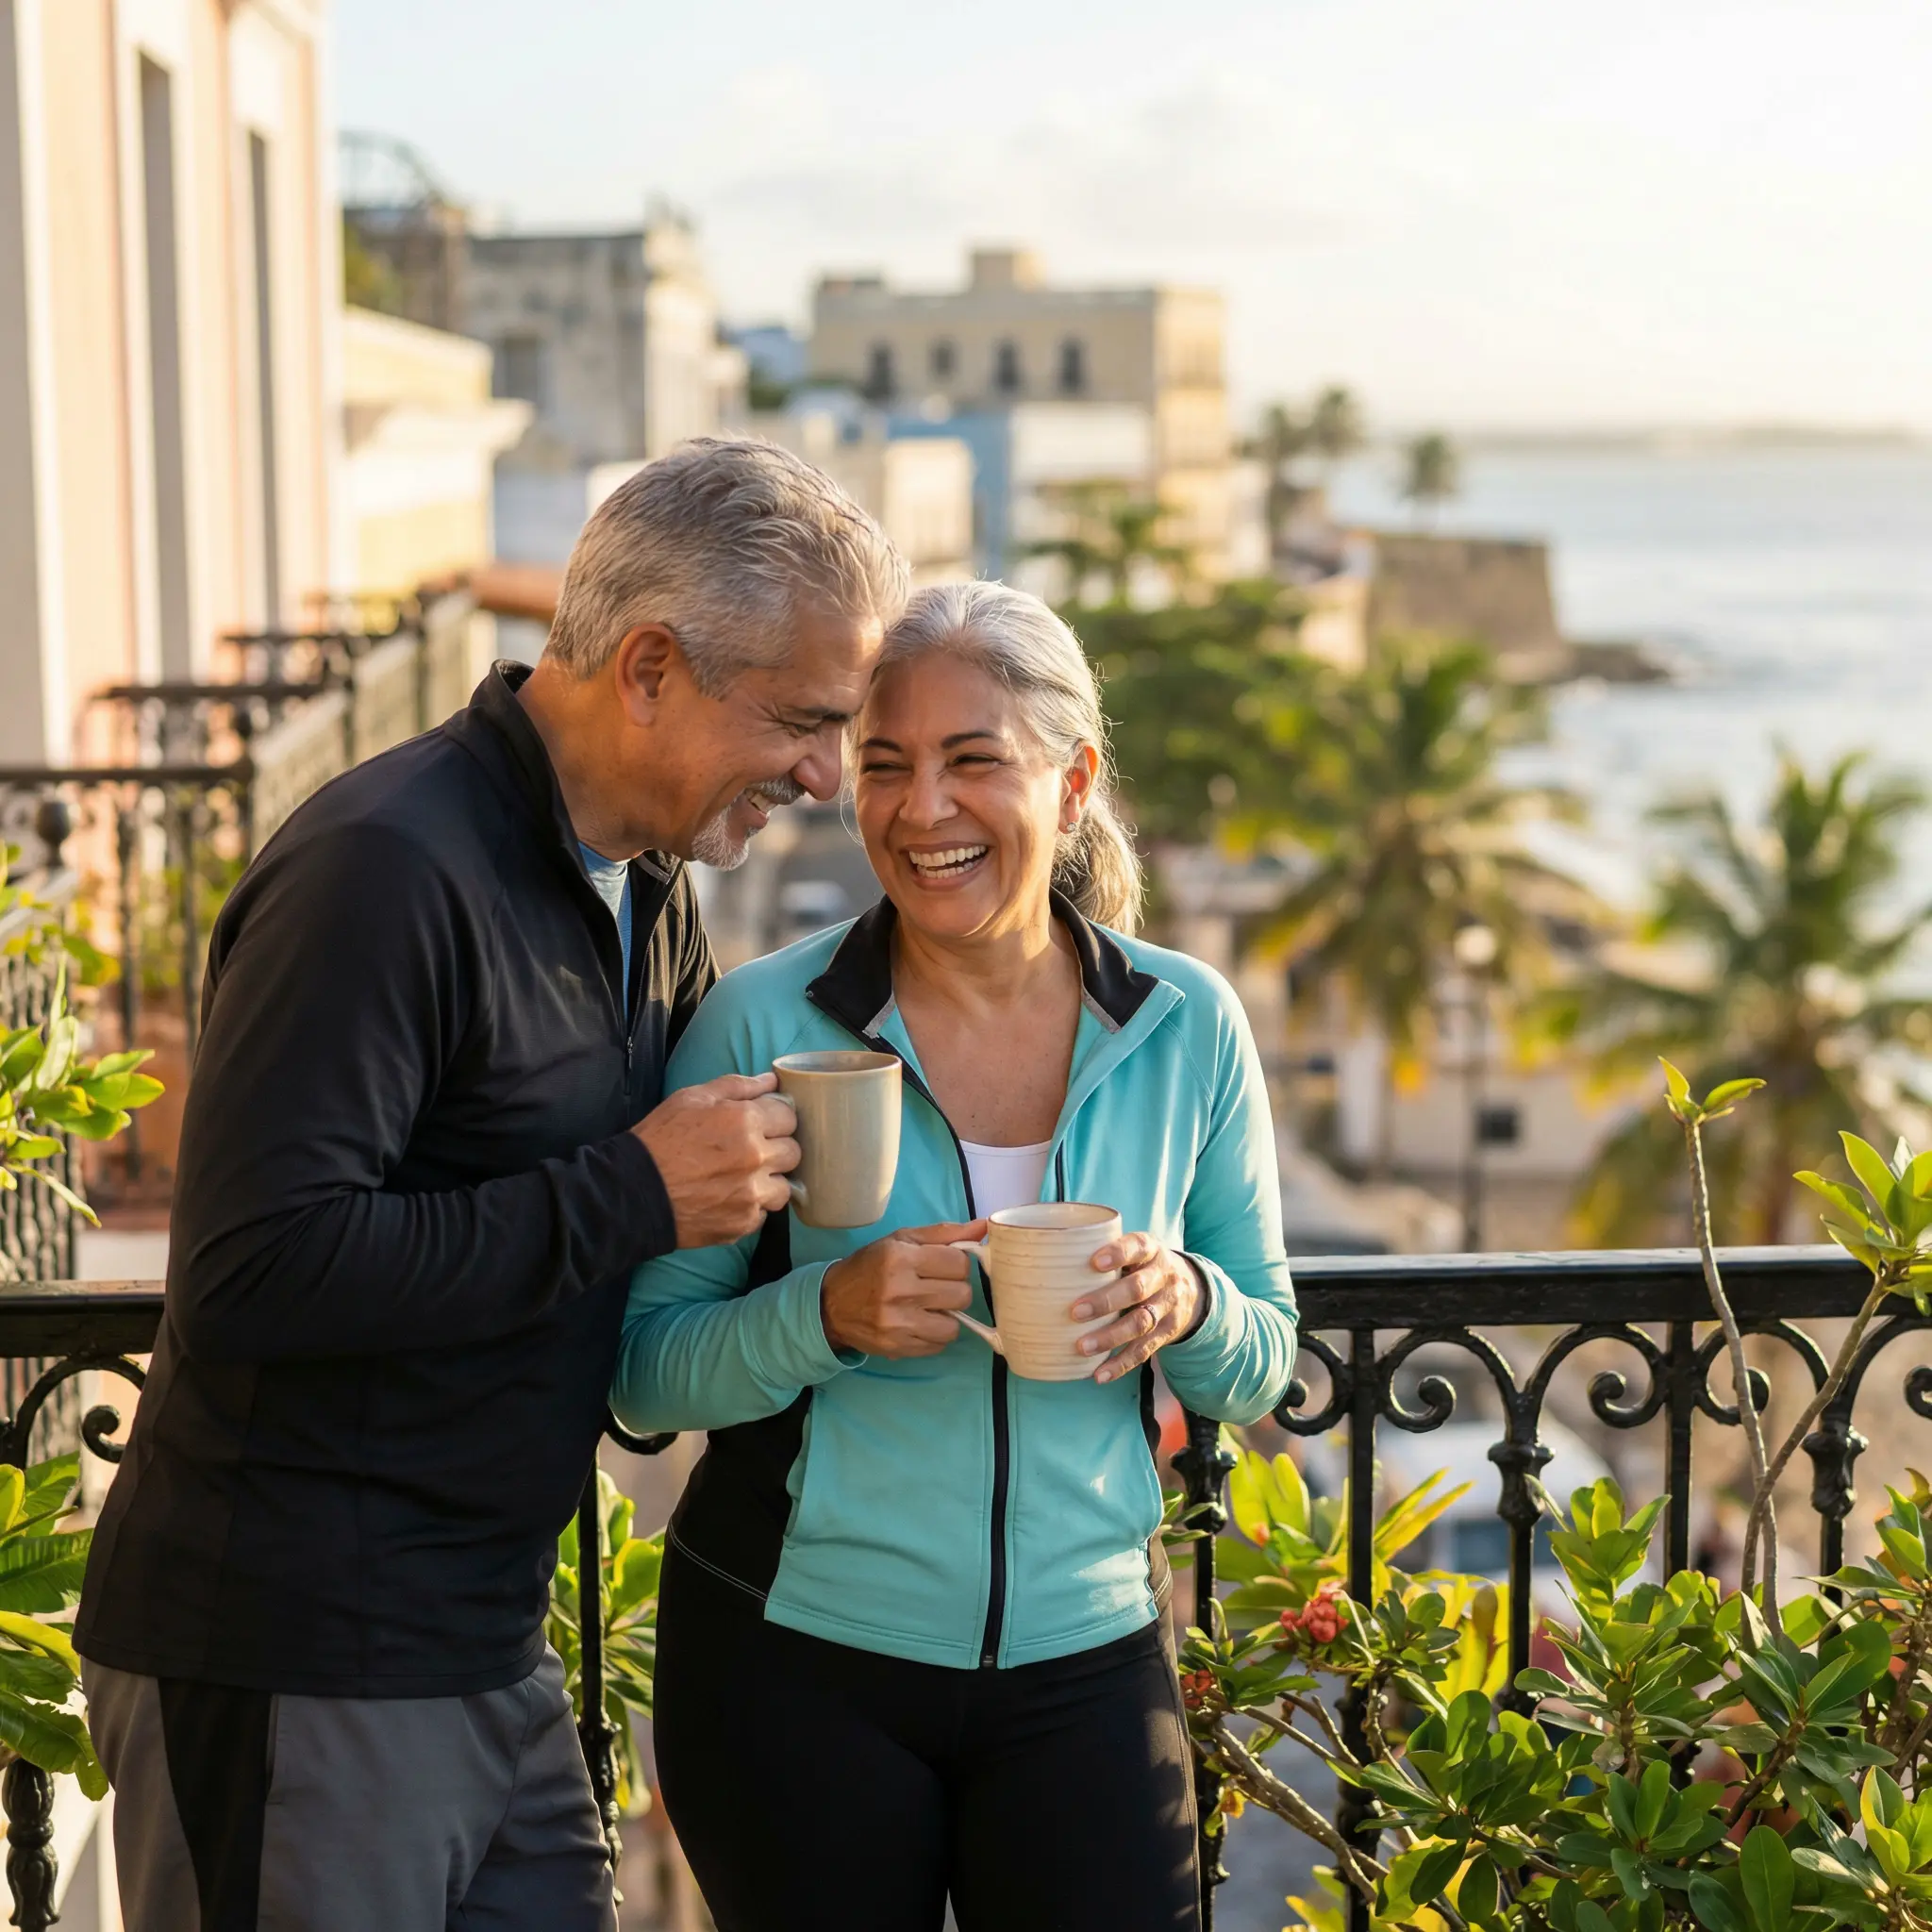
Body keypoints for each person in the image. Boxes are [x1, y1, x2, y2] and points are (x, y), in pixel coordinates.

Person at [74, 439, 908, 1932]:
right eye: (804, 721)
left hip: (491, 1642)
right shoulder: (382, 870)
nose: (824, 778)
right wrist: (635, 1195)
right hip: (297, 1654)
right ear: (649, 666)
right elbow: (256, 1273)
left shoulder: (647, 882)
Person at [612, 579, 1299, 1932]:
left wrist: (1191, 1301)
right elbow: (643, 1376)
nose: (921, 811)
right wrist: (826, 1314)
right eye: (885, 766)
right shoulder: (764, 1022)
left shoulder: (1187, 1027)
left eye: (972, 761)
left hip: (1089, 1665)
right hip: (791, 1666)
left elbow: (1263, 1362)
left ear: (1074, 778)